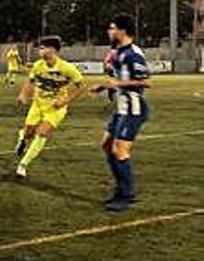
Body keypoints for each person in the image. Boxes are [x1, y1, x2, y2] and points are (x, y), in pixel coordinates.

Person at [95, 13, 151, 212]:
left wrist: (117, 83)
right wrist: (104, 85)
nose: (109, 32)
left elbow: (145, 82)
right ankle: (121, 189)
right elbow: (116, 77)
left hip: (133, 109)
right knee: (107, 145)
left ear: (122, 30)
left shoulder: (134, 54)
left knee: (120, 150)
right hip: (121, 109)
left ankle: (126, 195)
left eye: (112, 28)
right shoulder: (118, 52)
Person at [14, 36, 87, 178]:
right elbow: (30, 81)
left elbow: (82, 86)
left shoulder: (67, 68)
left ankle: (23, 165)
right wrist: (23, 94)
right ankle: (22, 138)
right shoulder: (38, 65)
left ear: (53, 50)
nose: (40, 51)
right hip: (38, 104)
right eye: (39, 48)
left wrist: (65, 101)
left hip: (55, 108)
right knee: (29, 133)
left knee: (42, 132)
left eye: (43, 48)